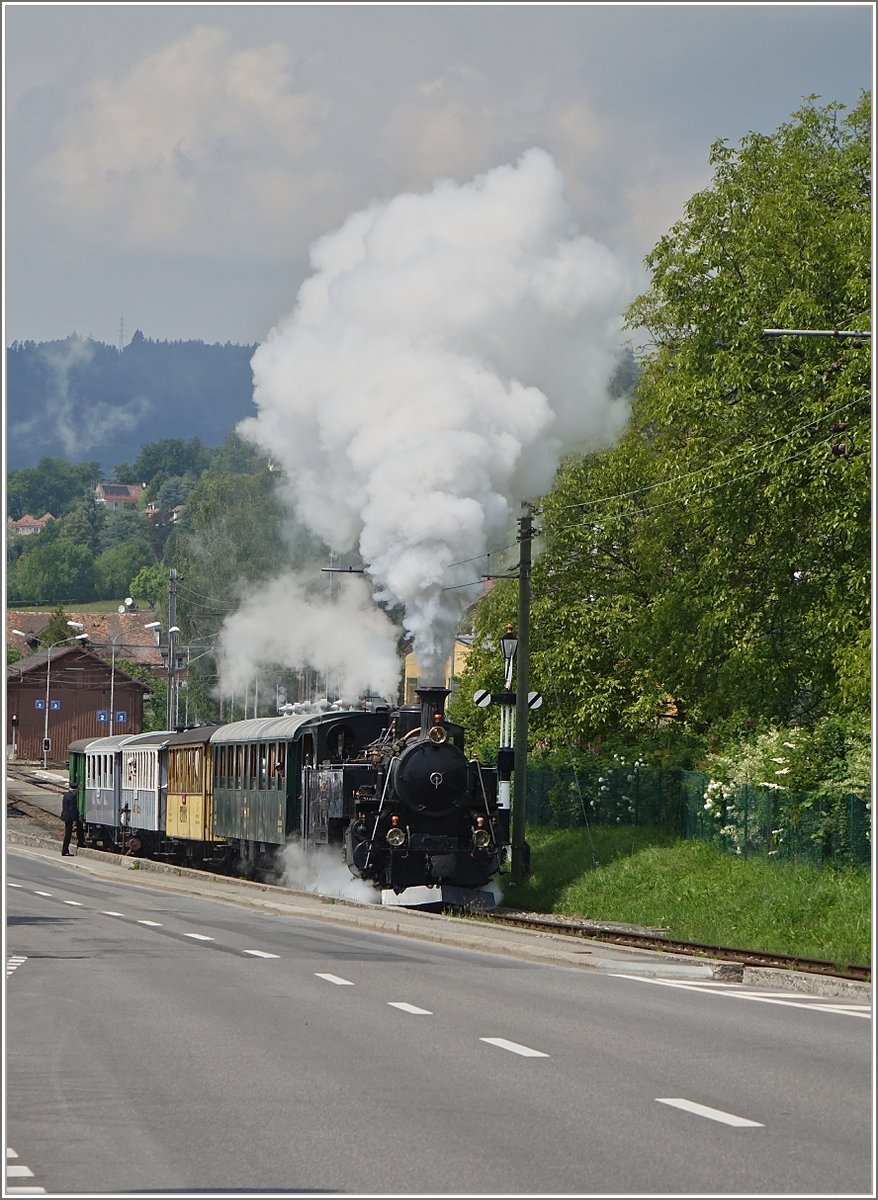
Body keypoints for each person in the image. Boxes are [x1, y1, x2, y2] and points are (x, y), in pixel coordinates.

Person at [60, 782, 83, 856]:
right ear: (75, 790)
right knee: (68, 835)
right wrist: (74, 820)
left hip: (65, 816)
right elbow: (72, 809)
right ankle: (65, 851)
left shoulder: (66, 795)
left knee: (68, 833)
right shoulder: (72, 797)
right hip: (70, 817)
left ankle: (80, 842)